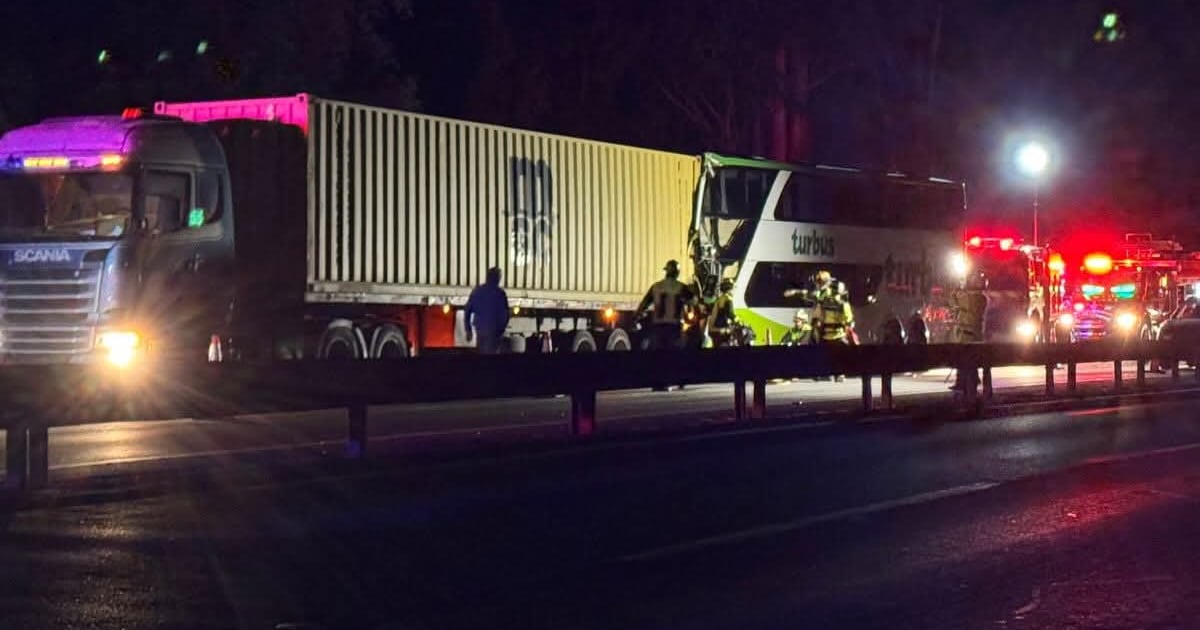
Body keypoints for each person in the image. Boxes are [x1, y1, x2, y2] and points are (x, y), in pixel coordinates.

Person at [637, 259, 695, 350]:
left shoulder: (655, 287)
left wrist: (637, 316)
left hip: (657, 328)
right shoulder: (681, 287)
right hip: (674, 329)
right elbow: (693, 302)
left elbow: (643, 305)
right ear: (677, 273)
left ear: (666, 271)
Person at [949, 272, 989, 392]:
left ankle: (969, 382)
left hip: (970, 334)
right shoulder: (976, 297)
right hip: (965, 333)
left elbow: (956, 299)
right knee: (963, 360)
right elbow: (953, 301)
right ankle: (962, 381)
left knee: (969, 360)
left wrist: (958, 288)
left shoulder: (978, 298)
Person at [814, 282, 854, 381]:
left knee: (827, 355)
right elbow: (849, 320)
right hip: (839, 335)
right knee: (840, 355)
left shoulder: (823, 303)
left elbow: (818, 318)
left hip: (826, 335)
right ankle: (840, 374)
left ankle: (828, 374)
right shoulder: (844, 305)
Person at [465, 266, 510, 354]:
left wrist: (468, 329)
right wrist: (501, 329)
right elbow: (505, 314)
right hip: (494, 331)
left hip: (480, 329)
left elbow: (468, 310)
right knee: (491, 357)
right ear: (497, 278)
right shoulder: (500, 293)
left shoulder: (477, 291)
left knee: (481, 355)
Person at [706, 278, 737, 347]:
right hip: (720, 332)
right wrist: (738, 320)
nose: (735, 290)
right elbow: (731, 314)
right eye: (734, 288)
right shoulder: (728, 299)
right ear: (730, 289)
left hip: (714, 330)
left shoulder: (719, 299)